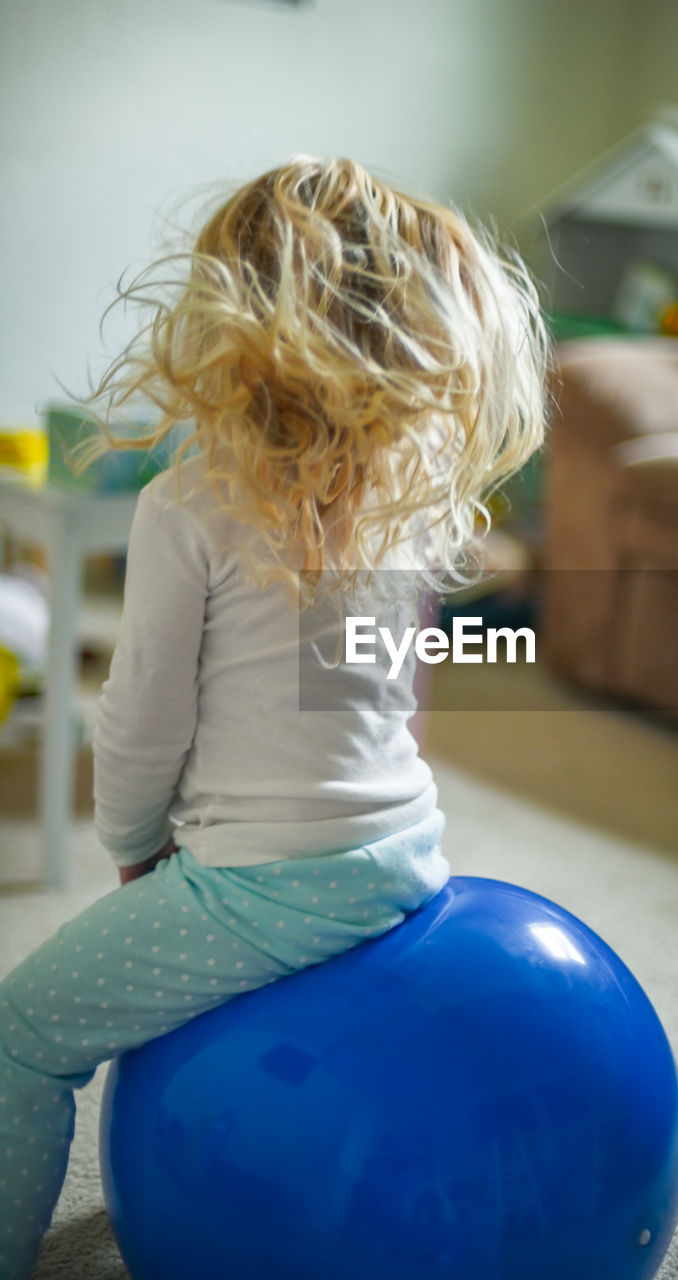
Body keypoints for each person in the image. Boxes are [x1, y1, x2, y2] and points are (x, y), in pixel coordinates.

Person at [0, 155, 548, 1276]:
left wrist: (132, 845)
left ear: (229, 321)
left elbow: (139, 717)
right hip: (403, 851)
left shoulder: (185, 502)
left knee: (18, 1034)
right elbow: (390, 677)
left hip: (263, 881)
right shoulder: (415, 483)